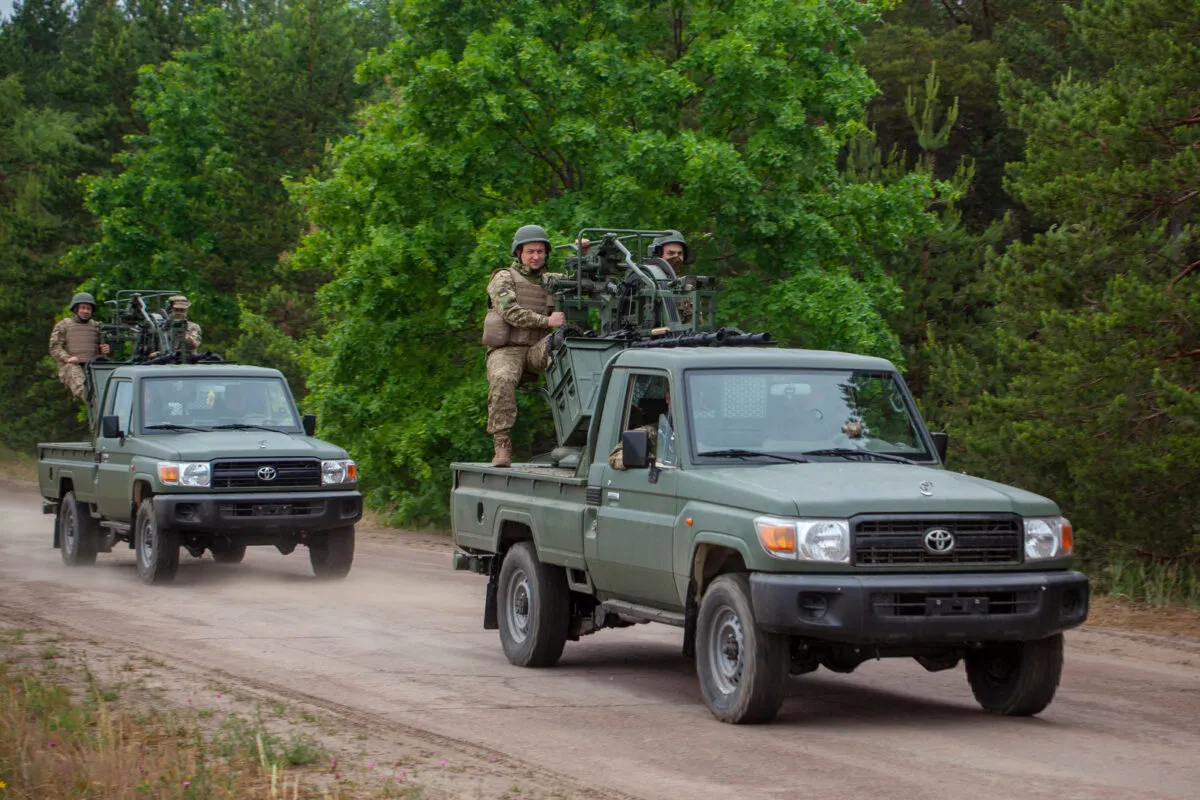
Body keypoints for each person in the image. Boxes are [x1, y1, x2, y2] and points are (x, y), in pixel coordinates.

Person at [482, 224, 568, 467]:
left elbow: (583, 282)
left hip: (537, 349)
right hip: (507, 350)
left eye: (540, 251)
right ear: (519, 253)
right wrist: (546, 320)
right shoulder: (504, 278)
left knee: (568, 354)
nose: (536, 256)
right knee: (501, 378)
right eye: (531, 251)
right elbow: (510, 311)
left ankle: (574, 437)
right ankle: (501, 445)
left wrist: (582, 257)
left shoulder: (551, 281)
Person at [49, 292, 110, 402]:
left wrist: (106, 350)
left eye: (88, 308)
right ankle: (92, 401)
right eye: (82, 308)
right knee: (84, 389)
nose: (86, 311)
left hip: (92, 366)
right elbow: (55, 347)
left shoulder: (97, 326)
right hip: (71, 366)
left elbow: (104, 352)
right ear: (76, 309)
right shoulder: (64, 325)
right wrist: (67, 358)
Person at [649, 230, 694, 324]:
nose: (676, 257)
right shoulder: (644, 281)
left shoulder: (682, 286)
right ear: (658, 254)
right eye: (671, 253)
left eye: (680, 253)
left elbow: (692, 323)